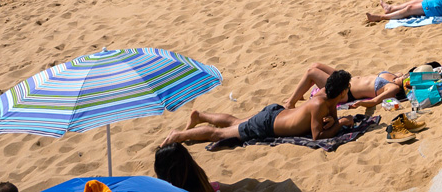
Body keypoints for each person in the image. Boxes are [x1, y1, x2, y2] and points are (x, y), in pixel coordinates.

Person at [163, 70, 354, 145]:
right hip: (268, 124)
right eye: (347, 88)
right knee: (220, 135)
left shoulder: (325, 95)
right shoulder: (319, 104)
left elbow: (331, 118)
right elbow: (317, 136)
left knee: (236, 122)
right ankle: (178, 135)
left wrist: (334, 121)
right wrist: (341, 123)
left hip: (276, 113)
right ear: (342, 91)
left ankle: (200, 116)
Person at [288, 64, 407, 111]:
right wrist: (400, 76)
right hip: (347, 80)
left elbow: (374, 101)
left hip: (344, 92)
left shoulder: (393, 88)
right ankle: (299, 94)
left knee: (311, 72)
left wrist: (361, 103)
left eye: (406, 79)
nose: (406, 76)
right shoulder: (396, 76)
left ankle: (290, 103)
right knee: (316, 65)